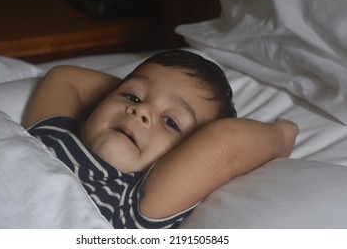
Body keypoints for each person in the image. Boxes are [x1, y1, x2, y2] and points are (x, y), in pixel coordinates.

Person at [22, 49, 298, 228]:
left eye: (170, 122)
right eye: (133, 97)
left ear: (188, 153)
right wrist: (119, 93)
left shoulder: (136, 200)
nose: (141, 111)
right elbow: (63, 78)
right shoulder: (51, 140)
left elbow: (227, 140)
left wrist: (281, 136)